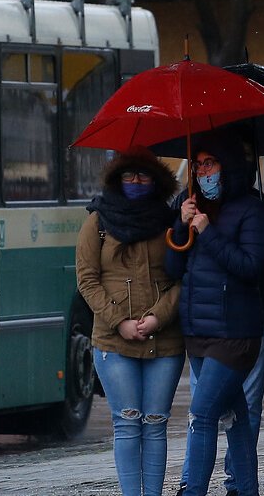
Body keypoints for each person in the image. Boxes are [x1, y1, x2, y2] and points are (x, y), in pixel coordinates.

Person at [175, 146, 264, 496]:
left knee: (203, 414)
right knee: (234, 415)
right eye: (198, 165)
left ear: (228, 167)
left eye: (209, 163)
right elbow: (172, 267)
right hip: (198, 330)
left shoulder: (253, 211)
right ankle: (245, 489)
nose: (203, 171)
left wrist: (208, 231)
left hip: (234, 333)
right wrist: (180, 227)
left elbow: (248, 267)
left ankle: (192, 489)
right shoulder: (192, 206)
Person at [75, 146, 185, 496]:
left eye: (143, 176)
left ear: (156, 181)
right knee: (126, 421)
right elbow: (86, 279)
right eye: (129, 176)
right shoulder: (98, 221)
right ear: (116, 180)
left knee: (155, 424)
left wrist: (157, 317)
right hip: (113, 341)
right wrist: (119, 321)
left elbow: (184, 277)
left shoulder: (171, 222)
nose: (136, 182)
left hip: (164, 339)